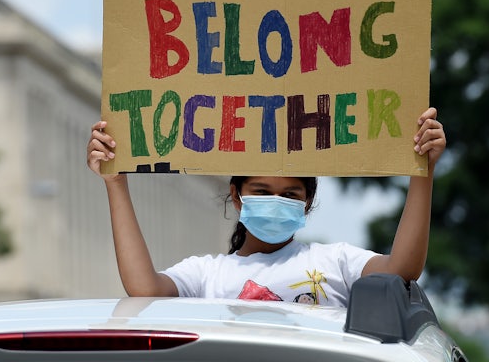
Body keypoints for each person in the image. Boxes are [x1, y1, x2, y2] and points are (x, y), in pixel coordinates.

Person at [87, 107, 445, 307]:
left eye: (290, 194)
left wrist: (422, 172)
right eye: (261, 190)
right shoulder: (208, 275)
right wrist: (115, 183)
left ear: (307, 204)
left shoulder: (334, 261)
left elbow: (401, 270)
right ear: (237, 195)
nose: (275, 201)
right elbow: (144, 289)